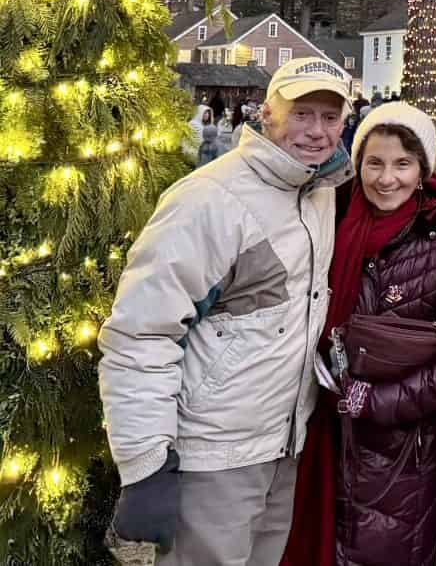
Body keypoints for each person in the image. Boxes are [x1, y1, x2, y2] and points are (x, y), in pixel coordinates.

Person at [98, 57, 355, 564]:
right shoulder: (210, 201)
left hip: (282, 446)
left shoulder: (317, 191)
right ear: (267, 114)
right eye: (301, 114)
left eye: (330, 117)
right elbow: (141, 333)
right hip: (213, 456)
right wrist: (145, 464)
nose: (317, 131)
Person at [282, 102, 436, 566]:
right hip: (320, 431)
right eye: (374, 163)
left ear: (422, 171)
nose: (386, 178)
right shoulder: (329, 225)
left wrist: (378, 402)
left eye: (402, 164)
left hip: (397, 454)